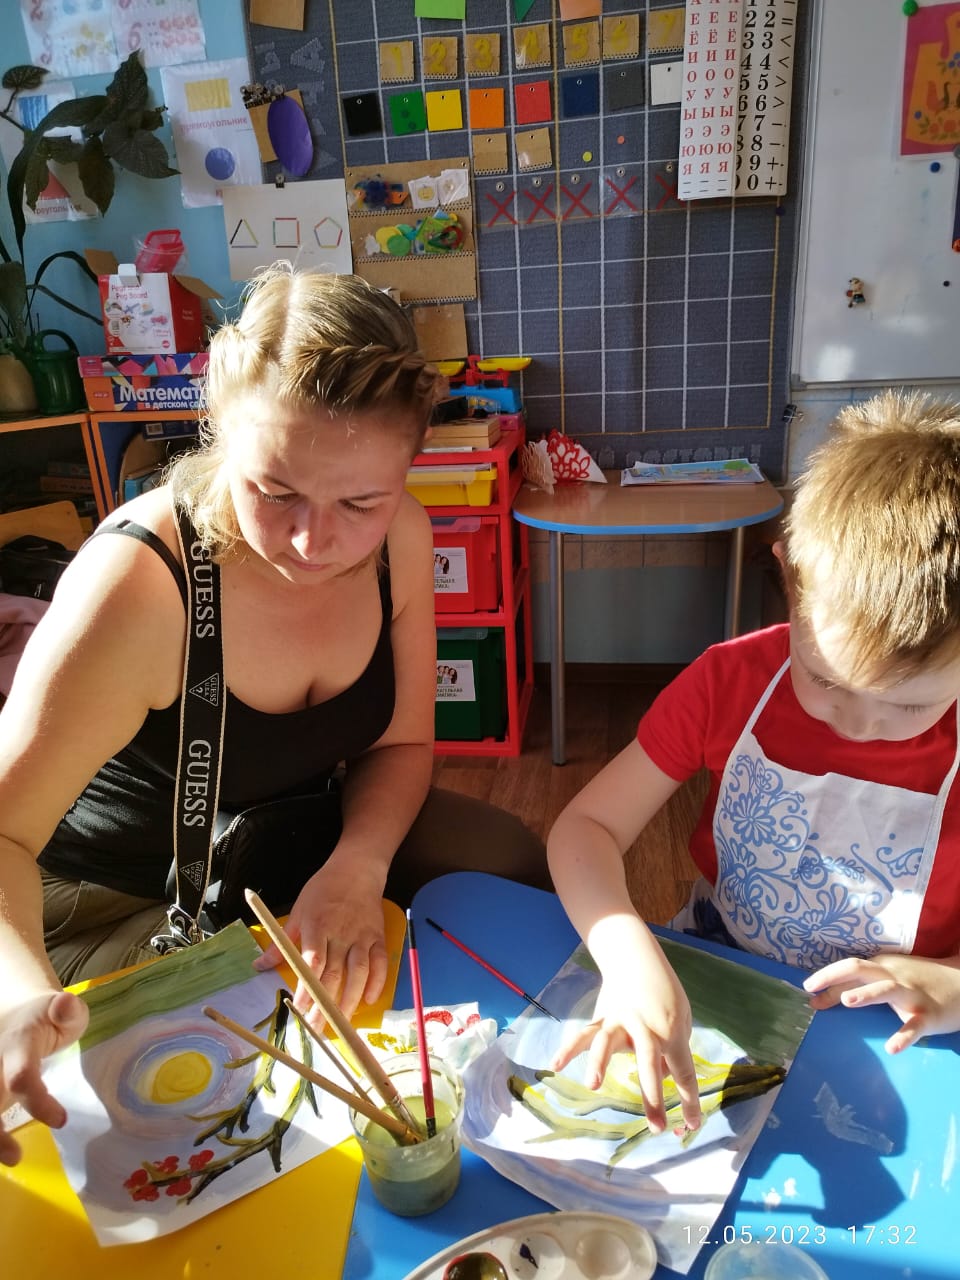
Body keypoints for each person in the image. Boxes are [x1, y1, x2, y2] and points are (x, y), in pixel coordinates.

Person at [0, 265, 547, 1166]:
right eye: (276, 490)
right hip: (116, 894)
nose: (312, 541)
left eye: (360, 502)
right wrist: (22, 1000)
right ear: (220, 433)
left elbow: (404, 741)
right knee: (225, 1111)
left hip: (275, 835)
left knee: (505, 859)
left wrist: (358, 865)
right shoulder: (137, 585)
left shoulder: (401, 538)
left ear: (408, 469)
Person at [547, 389, 960, 1138]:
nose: (859, 723)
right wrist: (628, 957)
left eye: (908, 707)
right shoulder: (728, 682)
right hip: (716, 970)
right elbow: (587, 828)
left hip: (896, 1037)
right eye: (825, 680)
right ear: (791, 581)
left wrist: (952, 986)